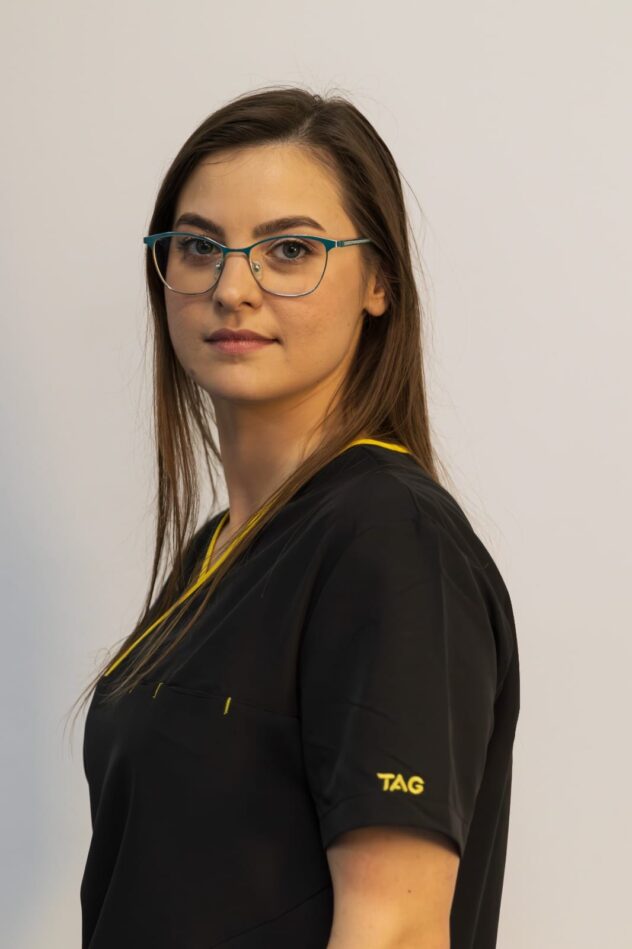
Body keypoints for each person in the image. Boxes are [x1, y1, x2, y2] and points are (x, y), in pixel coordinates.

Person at [73, 85, 520, 948]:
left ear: (379, 281)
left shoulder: (390, 540)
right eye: (199, 246)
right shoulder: (217, 552)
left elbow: (395, 929)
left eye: (289, 250)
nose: (231, 287)